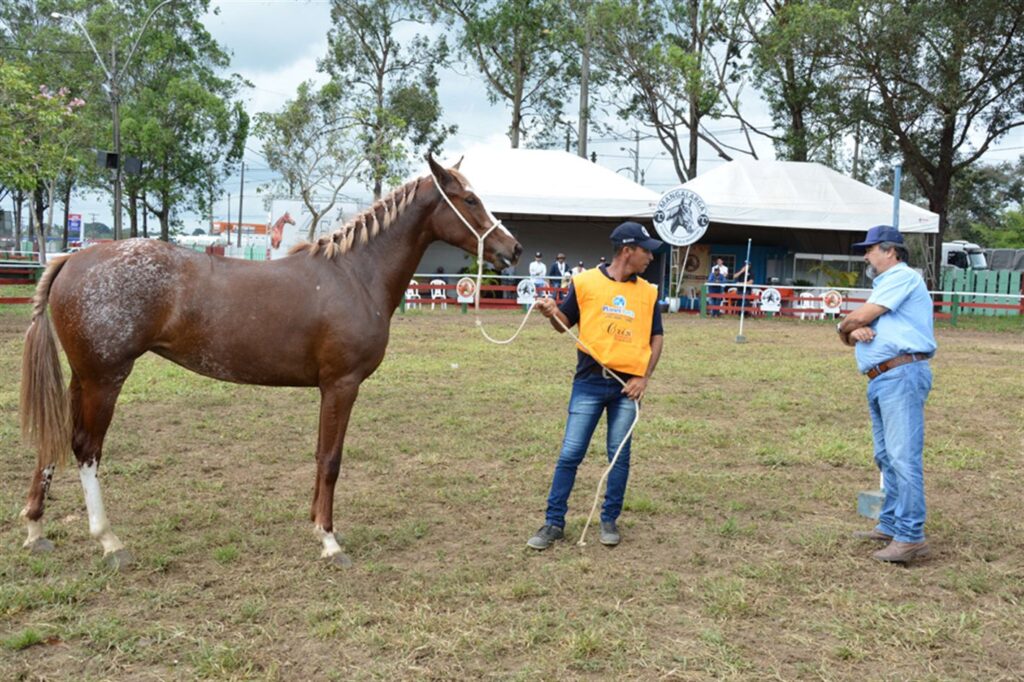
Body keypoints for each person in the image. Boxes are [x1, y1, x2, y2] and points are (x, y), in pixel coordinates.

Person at [527, 221, 665, 550]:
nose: (650, 256)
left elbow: (656, 336)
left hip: (626, 388)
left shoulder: (647, 292)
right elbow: (564, 324)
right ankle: (553, 522)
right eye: (646, 250)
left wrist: (643, 377)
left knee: (618, 456)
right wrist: (551, 313)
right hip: (589, 383)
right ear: (627, 250)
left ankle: (609, 519)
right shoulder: (585, 282)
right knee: (570, 454)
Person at [838, 225, 936, 564]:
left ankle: (910, 536)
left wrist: (847, 324)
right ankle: (892, 524)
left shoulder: (901, 278)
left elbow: (857, 319)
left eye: (870, 249)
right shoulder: (888, 286)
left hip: (899, 374)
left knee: (902, 455)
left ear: (890, 251)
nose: (866, 255)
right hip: (886, 376)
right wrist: (850, 329)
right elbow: (852, 331)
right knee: (887, 455)